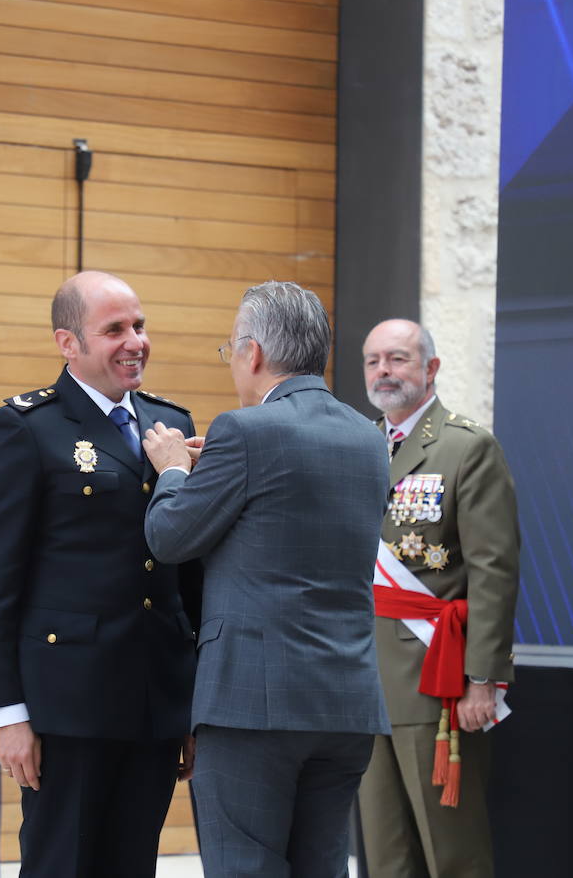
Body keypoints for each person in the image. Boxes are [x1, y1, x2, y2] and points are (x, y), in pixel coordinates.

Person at [140, 280, 390, 878]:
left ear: (252, 353)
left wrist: (175, 471)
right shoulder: (368, 438)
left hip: (253, 705)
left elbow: (170, 536)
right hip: (346, 703)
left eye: (230, 350)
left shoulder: (245, 431)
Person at [0, 270, 199, 878]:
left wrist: (194, 702)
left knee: (133, 864)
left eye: (140, 326)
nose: (135, 342)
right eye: (114, 329)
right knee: (62, 863)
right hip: (67, 706)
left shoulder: (168, 424)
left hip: (153, 699)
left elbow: (188, 571)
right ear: (68, 343)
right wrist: (6, 714)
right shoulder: (25, 426)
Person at [354, 319, 520, 878]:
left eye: (398, 359)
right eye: (373, 360)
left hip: (436, 678)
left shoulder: (466, 447)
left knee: (451, 852)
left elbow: (493, 571)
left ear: (431, 368)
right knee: (385, 854)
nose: (384, 371)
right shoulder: (357, 446)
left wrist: (483, 679)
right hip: (363, 677)